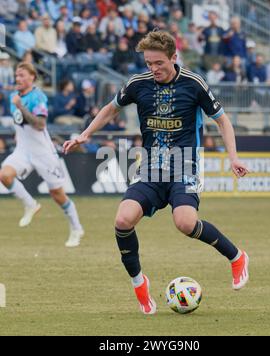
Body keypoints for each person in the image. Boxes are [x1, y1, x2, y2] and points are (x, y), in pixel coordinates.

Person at [63, 31, 250, 314]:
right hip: (151, 166)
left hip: (184, 164)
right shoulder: (138, 84)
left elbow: (223, 121)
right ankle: (139, 283)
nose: (153, 69)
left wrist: (232, 157)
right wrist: (85, 134)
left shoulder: (194, 83)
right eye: (149, 63)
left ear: (174, 58)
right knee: (123, 220)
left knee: (185, 223)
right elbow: (110, 109)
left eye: (159, 63)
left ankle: (236, 257)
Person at [0, 62, 84, 247]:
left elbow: (40, 124)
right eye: (16, 75)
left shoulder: (37, 97)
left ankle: (76, 228)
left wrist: (21, 107)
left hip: (43, 153)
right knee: (4, 175)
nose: (18, 78)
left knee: (57, 194)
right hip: (22, 150)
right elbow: (19, 124)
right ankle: (30, 204)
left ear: (32, 77)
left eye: (22, 75)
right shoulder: (14, 96)